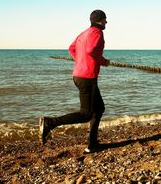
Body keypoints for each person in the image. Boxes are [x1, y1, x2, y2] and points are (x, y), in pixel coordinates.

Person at [39, 9, 110, 153]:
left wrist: (81, 61)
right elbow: (91, 50)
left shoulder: (83, 33)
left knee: (99, 109)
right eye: (105, 20)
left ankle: (93, 144)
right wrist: (102, 61)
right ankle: (50, 123)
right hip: (87, 76)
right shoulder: (97, 32)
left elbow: (71, 48)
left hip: (79, 74)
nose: (106, 22)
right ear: (100, 20)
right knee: (86, 114)